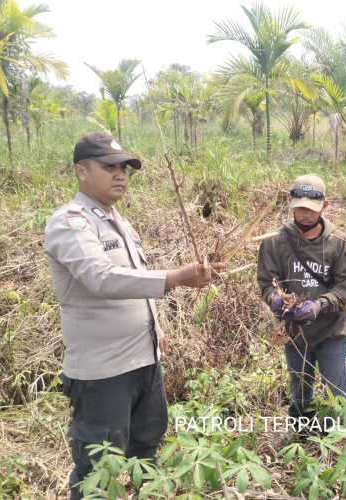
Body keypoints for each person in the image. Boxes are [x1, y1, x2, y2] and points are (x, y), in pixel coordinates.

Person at [44, 132, 221, 499]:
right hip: (104, 373)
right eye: (109, 167)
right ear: (81, 171)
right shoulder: (70, 222)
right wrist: (175, 278)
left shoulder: (120, 222)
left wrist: (155, 329)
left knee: (146, 455)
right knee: (97, 471)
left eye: (124, 167)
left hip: (144, 363)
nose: (120, 174)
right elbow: (101, 278)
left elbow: (133, 284)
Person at [257, 174, 346, 423]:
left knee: (338, 393)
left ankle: (340, 437)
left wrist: (320, 305)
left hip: (330, 330)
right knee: (300, 391)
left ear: (326, 205)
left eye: (311, 209)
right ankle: (301, 432)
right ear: (290, 204)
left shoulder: (339, 243)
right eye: (299, 209)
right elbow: (266, 282)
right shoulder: (274, 241)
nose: (305, 215)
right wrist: (276, 301)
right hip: (294, 332)